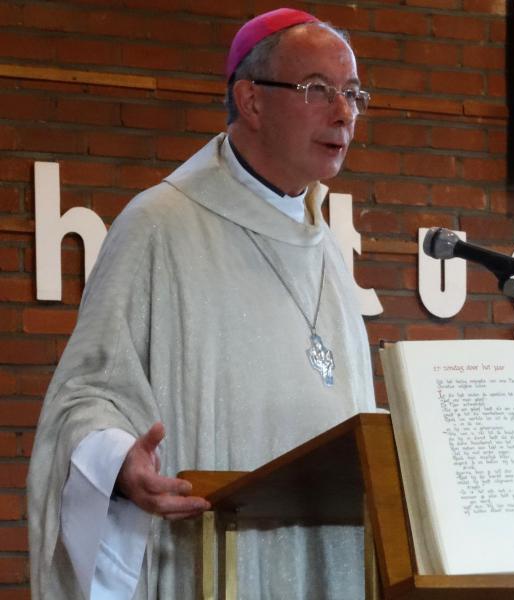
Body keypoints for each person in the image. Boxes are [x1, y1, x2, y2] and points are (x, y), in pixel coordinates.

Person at [27, 8, 376, 599]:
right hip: (212, 561)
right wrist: (118, 464)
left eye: (352, 93)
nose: (344, 113)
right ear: (252, 100)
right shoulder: (160, 225)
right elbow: (86, 395)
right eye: (318, 90)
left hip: (326, 556)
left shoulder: (327, 250)